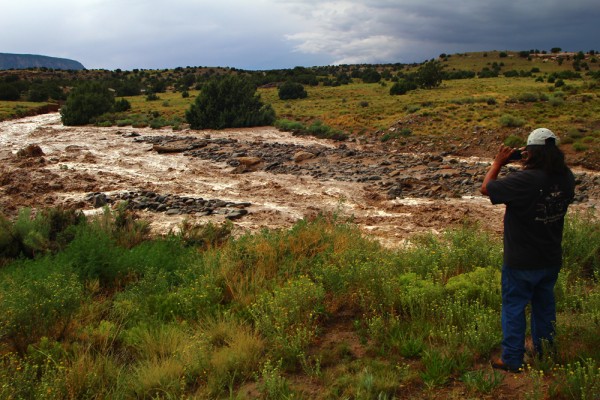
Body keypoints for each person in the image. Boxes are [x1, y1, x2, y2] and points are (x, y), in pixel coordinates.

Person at [480, 128, 575, 373]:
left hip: (521, 259)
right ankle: (544, 351)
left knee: (514, 306)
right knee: (544, 305)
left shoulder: (524, 180)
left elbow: (487, 188)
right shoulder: (566, 177)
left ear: (530, 153)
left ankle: (511, 358)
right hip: (550, 256)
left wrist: (499, 162)